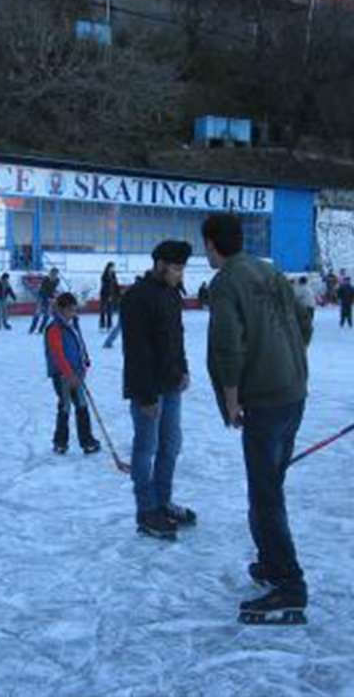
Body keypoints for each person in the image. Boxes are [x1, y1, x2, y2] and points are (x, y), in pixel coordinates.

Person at [202, 212, 313, 623]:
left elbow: (227, 346)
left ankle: (289, 584)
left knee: (265, 495)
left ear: (212, 244)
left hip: (266, 399)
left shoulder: (227, 282)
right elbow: (302, 324)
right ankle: (270, 560)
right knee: (270, 486)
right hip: (292, 392)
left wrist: (231, 398)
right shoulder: (269, 272)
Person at [121, 241, 195, 541]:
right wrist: (146, 395)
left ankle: (163, 502)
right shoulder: (137, 297)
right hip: (148, 389)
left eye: (182, 268)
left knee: (170, 445)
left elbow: (177, 337)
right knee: (145, 449)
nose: (180, 274)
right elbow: (135, 351)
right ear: (161, 264)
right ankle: (146, 511)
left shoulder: (171, 293)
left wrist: (184, 369)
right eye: (176, 268)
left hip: (171, 383)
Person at [44, 293, 102, 455]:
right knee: (65, 407)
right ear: (61, 309)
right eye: (70, 310)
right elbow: (57, 354)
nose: (73, 313)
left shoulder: (73, 324)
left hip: (77, 373)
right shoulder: (54, 328)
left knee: (82, 406)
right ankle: (60, 442)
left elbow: (79, 345)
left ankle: (87, 440)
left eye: (75, 310)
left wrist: (85, 362)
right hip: (63, 375)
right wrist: (68, 374)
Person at [28, 267, 61, 334]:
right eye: (53, 274)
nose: (54, 276)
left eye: (55, 274)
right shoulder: (45, 279)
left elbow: (53, 290)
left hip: (49, 298)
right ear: (50, 273)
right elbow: (43, 290)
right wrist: (49, 297)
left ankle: (41, 329)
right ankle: (32, 329)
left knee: (47, 314)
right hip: (41, 297)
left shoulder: (57, 280)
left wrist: (55, 295)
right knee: (37, 313)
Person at [99, 263, 121, 332]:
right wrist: (107, 295)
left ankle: (109, 325)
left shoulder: (114, 275)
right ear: (108, 267)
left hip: (111, 295)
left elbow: (116, 285)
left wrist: (118, 294)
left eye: (113, 267)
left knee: (109, 310)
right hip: (104, 295)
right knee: (103, 310)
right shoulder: (104, 275)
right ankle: (102, 325)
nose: (113, 269)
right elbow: (104, 286)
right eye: (112, 267)